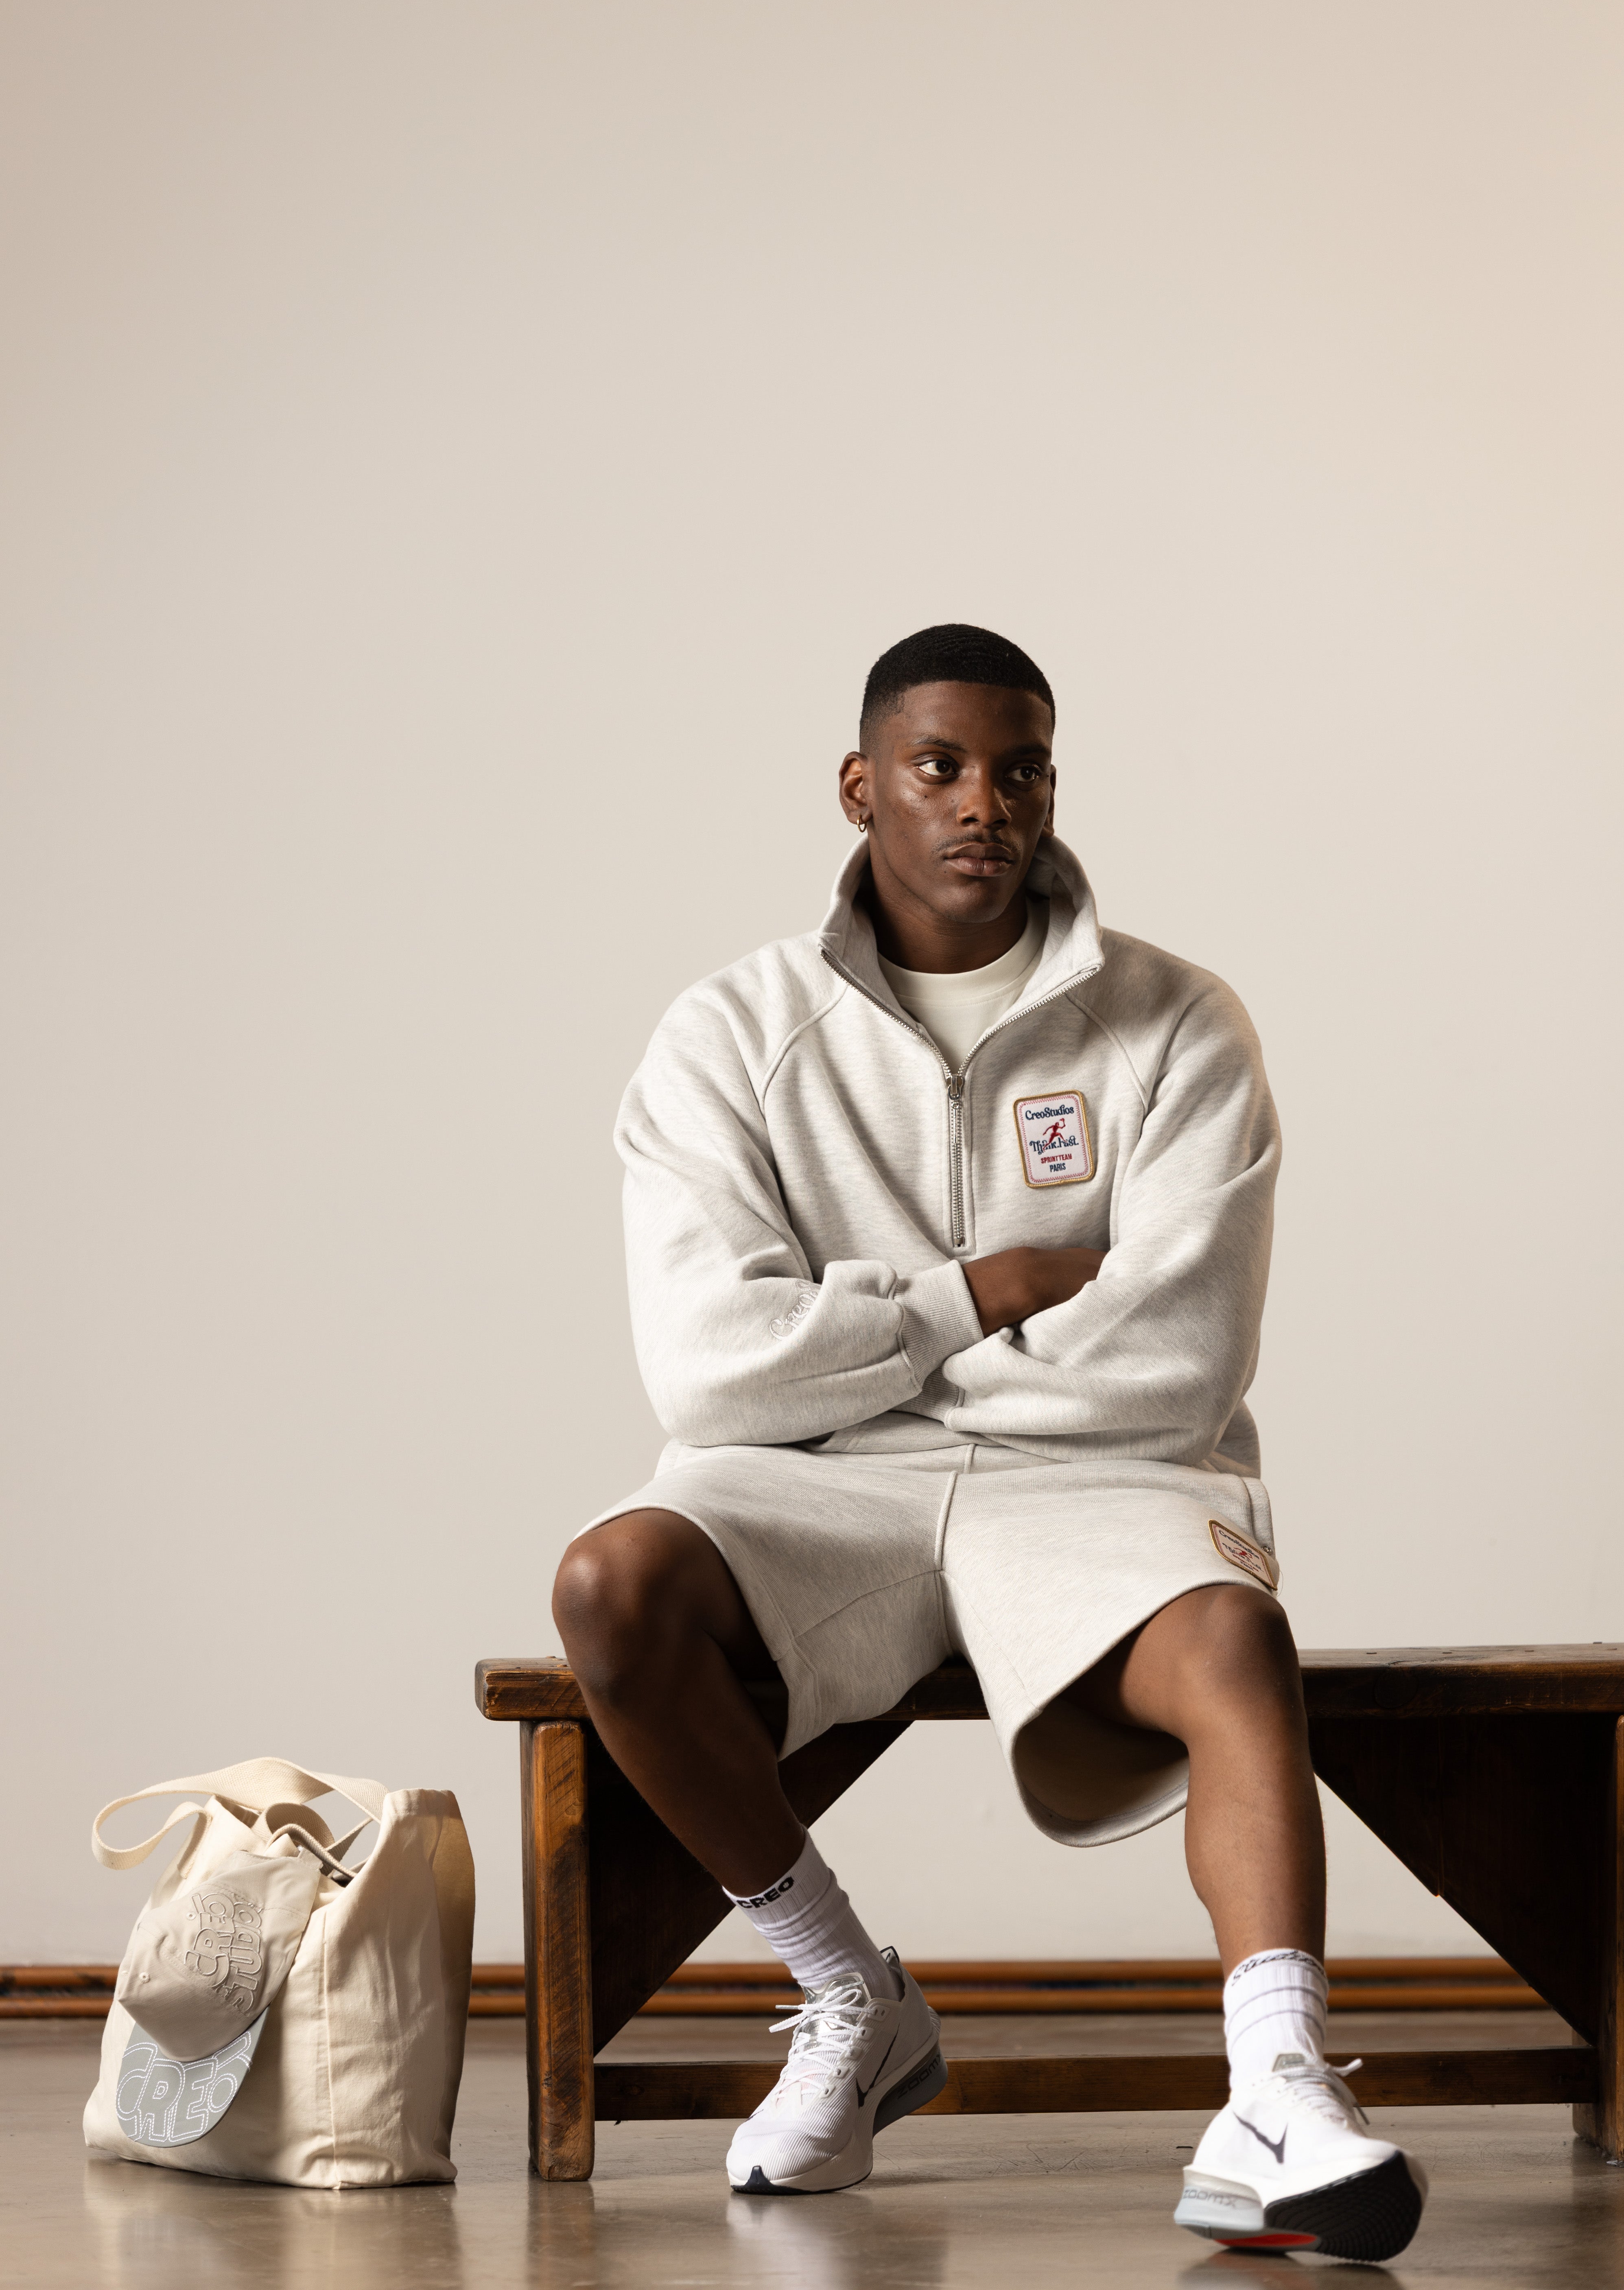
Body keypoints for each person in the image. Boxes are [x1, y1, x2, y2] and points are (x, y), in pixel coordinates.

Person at [554, 623, 1426, 2260]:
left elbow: (1175, 1360)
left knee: (1235, 1637)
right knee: (611, 1585)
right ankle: (848, 1996)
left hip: (1096, 1483)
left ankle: (1276, 2089)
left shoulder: (1178, 1022)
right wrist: (978, 1295)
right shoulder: (728, 1033)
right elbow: (709, 1373)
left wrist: (859, 1360)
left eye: (1021, 771)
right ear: (859, 786)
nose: (984, 805)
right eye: (941, 767)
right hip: (817, 1496)